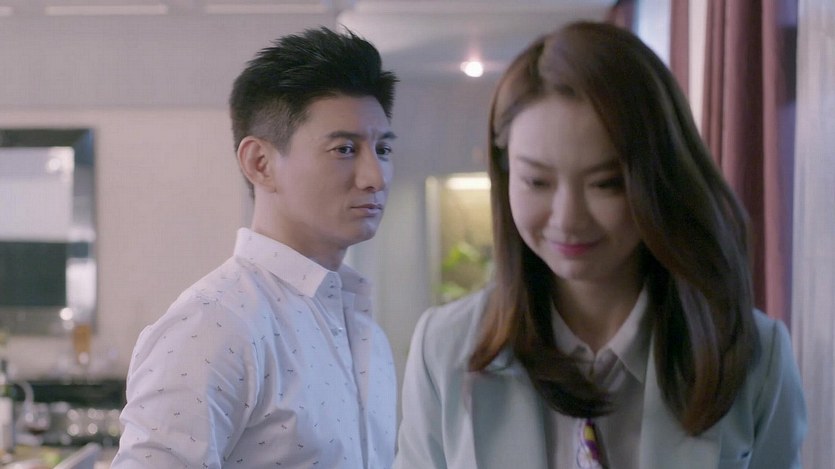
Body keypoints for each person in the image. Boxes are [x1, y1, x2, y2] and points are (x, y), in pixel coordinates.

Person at [394, 21, 806, 469]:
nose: (568, 219)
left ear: (660, 180)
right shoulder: (445, 349)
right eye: (537, 181)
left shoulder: (753, 358)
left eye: (606, 183)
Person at [115, 27, 399, 468]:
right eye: (344, 149)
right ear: (260, 163)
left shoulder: (362, 326)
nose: (375, 177)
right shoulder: (214, 324)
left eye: (382, 149)